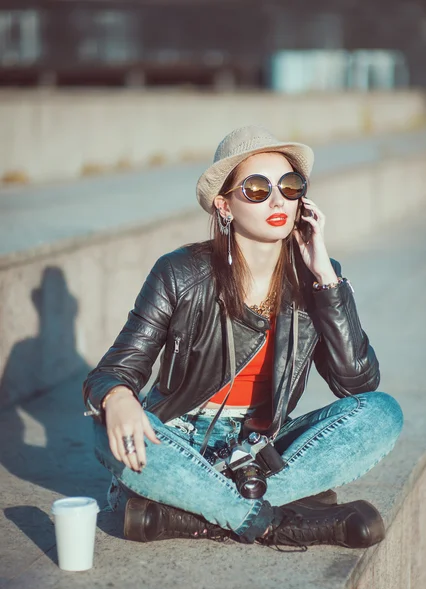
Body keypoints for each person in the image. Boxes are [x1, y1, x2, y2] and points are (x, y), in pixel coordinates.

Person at [83, 125, 403, 550]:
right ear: (225, 205)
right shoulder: (179, 272)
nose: (277, 200)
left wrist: (328, 282)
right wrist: (118, 396)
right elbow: (113, 371)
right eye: (256, 188)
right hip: (179, 439)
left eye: (290, 187)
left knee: (383, 414)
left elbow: (357, 386)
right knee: (103, 425)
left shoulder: (317, 281)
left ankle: (193, 511)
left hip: (258, 451)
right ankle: (276, 520)